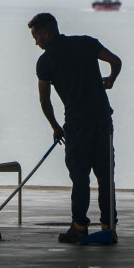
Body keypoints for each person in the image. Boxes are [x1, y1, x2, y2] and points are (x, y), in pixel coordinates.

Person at [28, 13, 122, 243]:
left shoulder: (45, 61)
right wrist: (110, 79)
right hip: (102, 121)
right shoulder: (86, 43)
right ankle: (108, 227)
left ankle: (79, 227)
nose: (35, 42)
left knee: (80, 178)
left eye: (36, 36)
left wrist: (55, 127)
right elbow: (116, 61)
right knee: (105, 176)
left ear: (47, 33)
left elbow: (45, 101)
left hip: (77, 124)